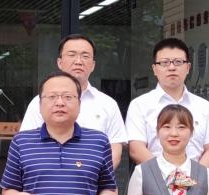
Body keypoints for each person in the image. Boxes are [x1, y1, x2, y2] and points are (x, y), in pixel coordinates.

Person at [17, 34, 128, 167]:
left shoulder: (108, 104)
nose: (78, 61)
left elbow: (115, 151)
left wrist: (95, 176)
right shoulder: (40, 102)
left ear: (93, 65)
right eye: (72, 55)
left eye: (85, 56)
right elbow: (27, 146)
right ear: (59, 62)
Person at [123, 37, 209, 168]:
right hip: (154, 178)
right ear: (155, 69)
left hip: (196, 179)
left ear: (188, 67)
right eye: (164, 63)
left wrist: (195, 177)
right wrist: (168, 176)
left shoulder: (204, 106)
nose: (172, 67)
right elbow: (136, 149)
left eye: (178, 62)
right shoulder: (139, 105)